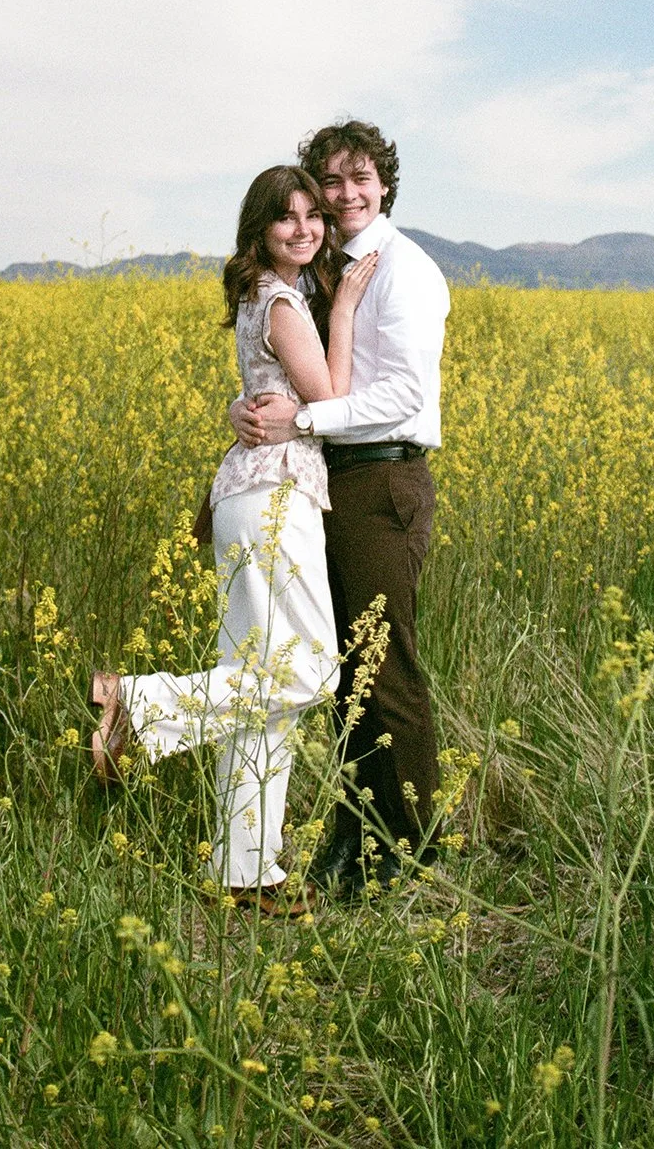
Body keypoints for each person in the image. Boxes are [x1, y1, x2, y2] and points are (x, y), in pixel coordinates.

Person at [87, 165, 377, 912]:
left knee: (260, 688)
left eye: (314, 215)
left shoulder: (258, 295)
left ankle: (245, 871)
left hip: (248, 493)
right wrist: (343, 307)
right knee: (309, 672)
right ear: (260, 228)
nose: (307, 229)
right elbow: (333, 399)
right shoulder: (284, 300)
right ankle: (139, 703)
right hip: (275, 496)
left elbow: (264, 390)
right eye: (289, 218)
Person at [231, 120, 450, 894]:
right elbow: (294, 363)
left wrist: (306, 419)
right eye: (331, 182)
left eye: (360, 178)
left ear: (384, 183)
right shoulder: (332, 271)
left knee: (384, 666)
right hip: (333, 480)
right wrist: (249, 408)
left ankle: (415, 848)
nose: (346, 194)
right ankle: (358, 840)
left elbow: (405, 396)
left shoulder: (403, 271)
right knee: (344, 672)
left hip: (381, 477)